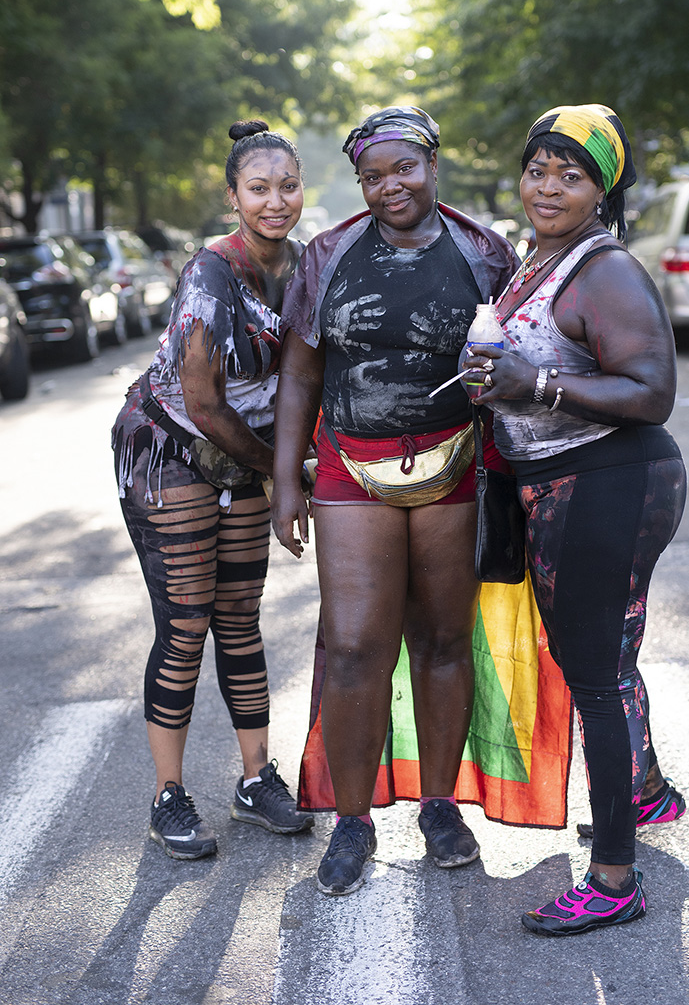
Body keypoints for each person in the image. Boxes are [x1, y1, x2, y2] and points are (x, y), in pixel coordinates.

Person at [271, 105, 519, 896]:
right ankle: (352, 820)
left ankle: (440, 807)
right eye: (372, 176)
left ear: (432, 164)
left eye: (403, 169)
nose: (390, 187)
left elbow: (519, 356)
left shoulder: (484, 251)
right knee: (353, 647)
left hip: (456, 468)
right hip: (350, 471)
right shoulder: (328, 254)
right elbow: (300, 373)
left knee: (443, 639)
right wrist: (287, 478)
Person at [463, 104, 687, 936]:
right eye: (539, 169)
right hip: (566, 483)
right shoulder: (538, 259)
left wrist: (535, 385)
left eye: (572, 175)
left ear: (603, 192)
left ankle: (615, 880)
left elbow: (652, 392)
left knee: (594, 675)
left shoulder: (606, 270)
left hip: (608, 480)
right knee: (608, 658)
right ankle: (645, 794)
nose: (549, 186)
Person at [112, 119, 313, 860]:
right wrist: (280, 472)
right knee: (187, 621)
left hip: (243, 450)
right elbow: (202, 404)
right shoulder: (211, 271)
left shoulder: (306, 266)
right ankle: (168, 795)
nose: (274, 201)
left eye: (287, 186)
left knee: (239, 616)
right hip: (171, 446)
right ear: (233, 196)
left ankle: (255, 781)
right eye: (258, 189)